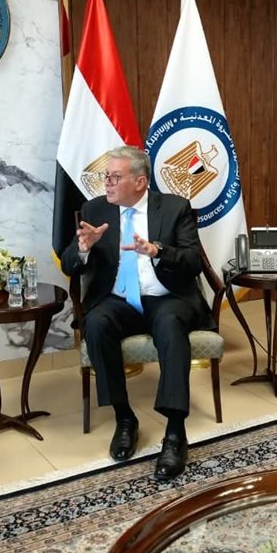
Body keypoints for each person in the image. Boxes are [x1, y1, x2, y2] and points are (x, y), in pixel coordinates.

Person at [60, 146, 212, 481]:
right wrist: (83, 249)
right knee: (96, 323)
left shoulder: (174, 208)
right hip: (119, 299)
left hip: (165, 296)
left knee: (171, 326)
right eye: (106, 176)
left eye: (115, 177)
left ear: (140, 182)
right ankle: (125, 418)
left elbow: (193, 262)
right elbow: (71, 264)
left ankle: (175, 433)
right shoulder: (95, 209)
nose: (107, 183)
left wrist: (158, 251)